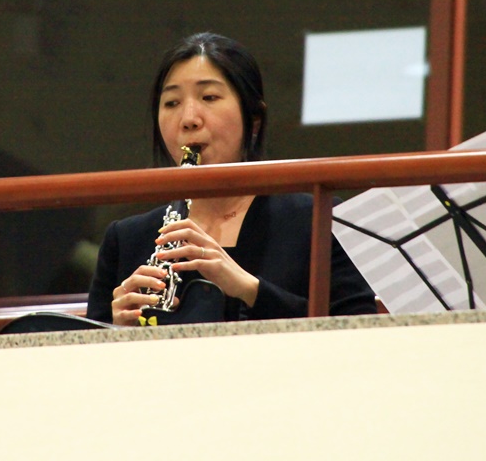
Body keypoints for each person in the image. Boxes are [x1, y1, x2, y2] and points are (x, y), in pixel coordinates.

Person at [86, 32, 377, 325]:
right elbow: (88, 347)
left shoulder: (316, 220)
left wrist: (250, 290)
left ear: (254, 119)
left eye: (209, 97)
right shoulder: (126, 239)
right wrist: (117, 331)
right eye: (172, 102)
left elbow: (359, 330)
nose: (188, 119)